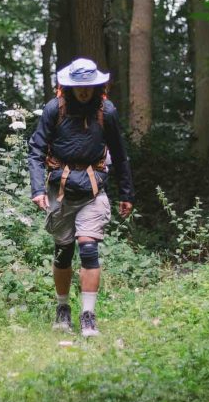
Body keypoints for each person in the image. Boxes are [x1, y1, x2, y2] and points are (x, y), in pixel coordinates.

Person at [28, 57, 134, 336]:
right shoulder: (55, 109)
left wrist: (127, 193)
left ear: (97, 86)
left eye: (89, 86)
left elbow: (120, 155)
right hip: (60, 190)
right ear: (70, 86)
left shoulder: (106, 112)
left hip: (92, 190)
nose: (84, 91)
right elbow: (36, 151)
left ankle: (88, 315)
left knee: (88, 248)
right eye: (79, 86)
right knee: (63, 252)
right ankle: (63, 309)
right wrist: (37, 190)